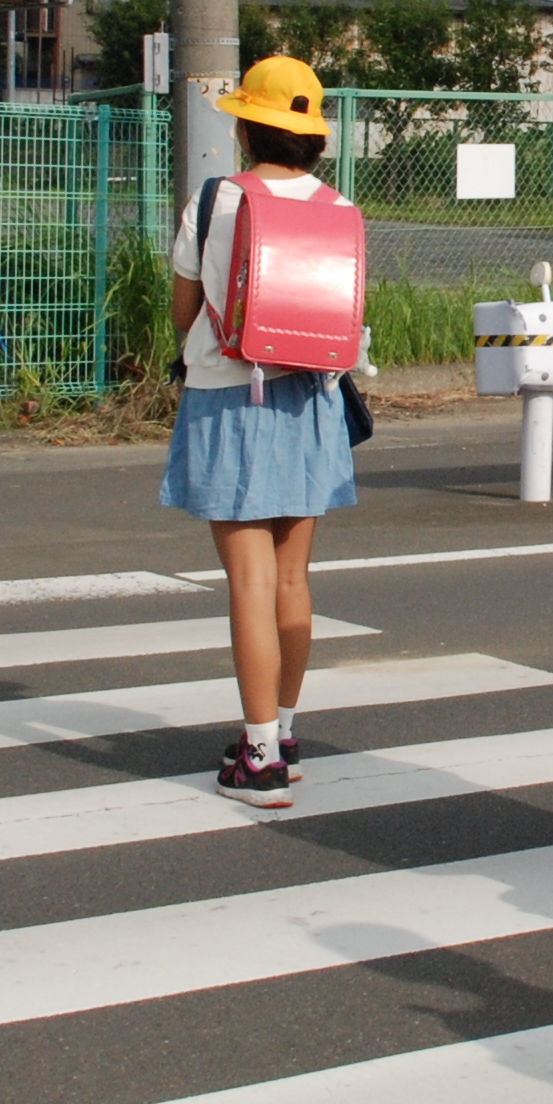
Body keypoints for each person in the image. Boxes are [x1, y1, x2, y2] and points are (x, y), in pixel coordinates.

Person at [161, 55, 361, 810]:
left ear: (248, 127)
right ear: (310, 136)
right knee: (289, 579)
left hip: (228, 400)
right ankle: (285, 732)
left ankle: (258, 758)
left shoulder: (215, 199)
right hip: (312, 401)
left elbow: (184, 317)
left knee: (246, 580)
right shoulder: (339, 209)